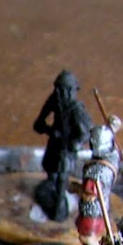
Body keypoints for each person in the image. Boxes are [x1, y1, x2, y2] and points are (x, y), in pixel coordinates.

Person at [31, 70, 93, 221]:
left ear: (71, 90)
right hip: (55, 142)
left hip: (67, 148)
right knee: (50, 169)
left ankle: (59, 206)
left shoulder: (76, 109)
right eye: (57, 88)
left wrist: (75, 143)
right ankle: (52, 192)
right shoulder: (54, 100)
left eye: (62, 89)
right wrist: (49, 130)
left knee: (62, 175)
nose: (59, 92)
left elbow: (86, 133)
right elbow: (39, 122)